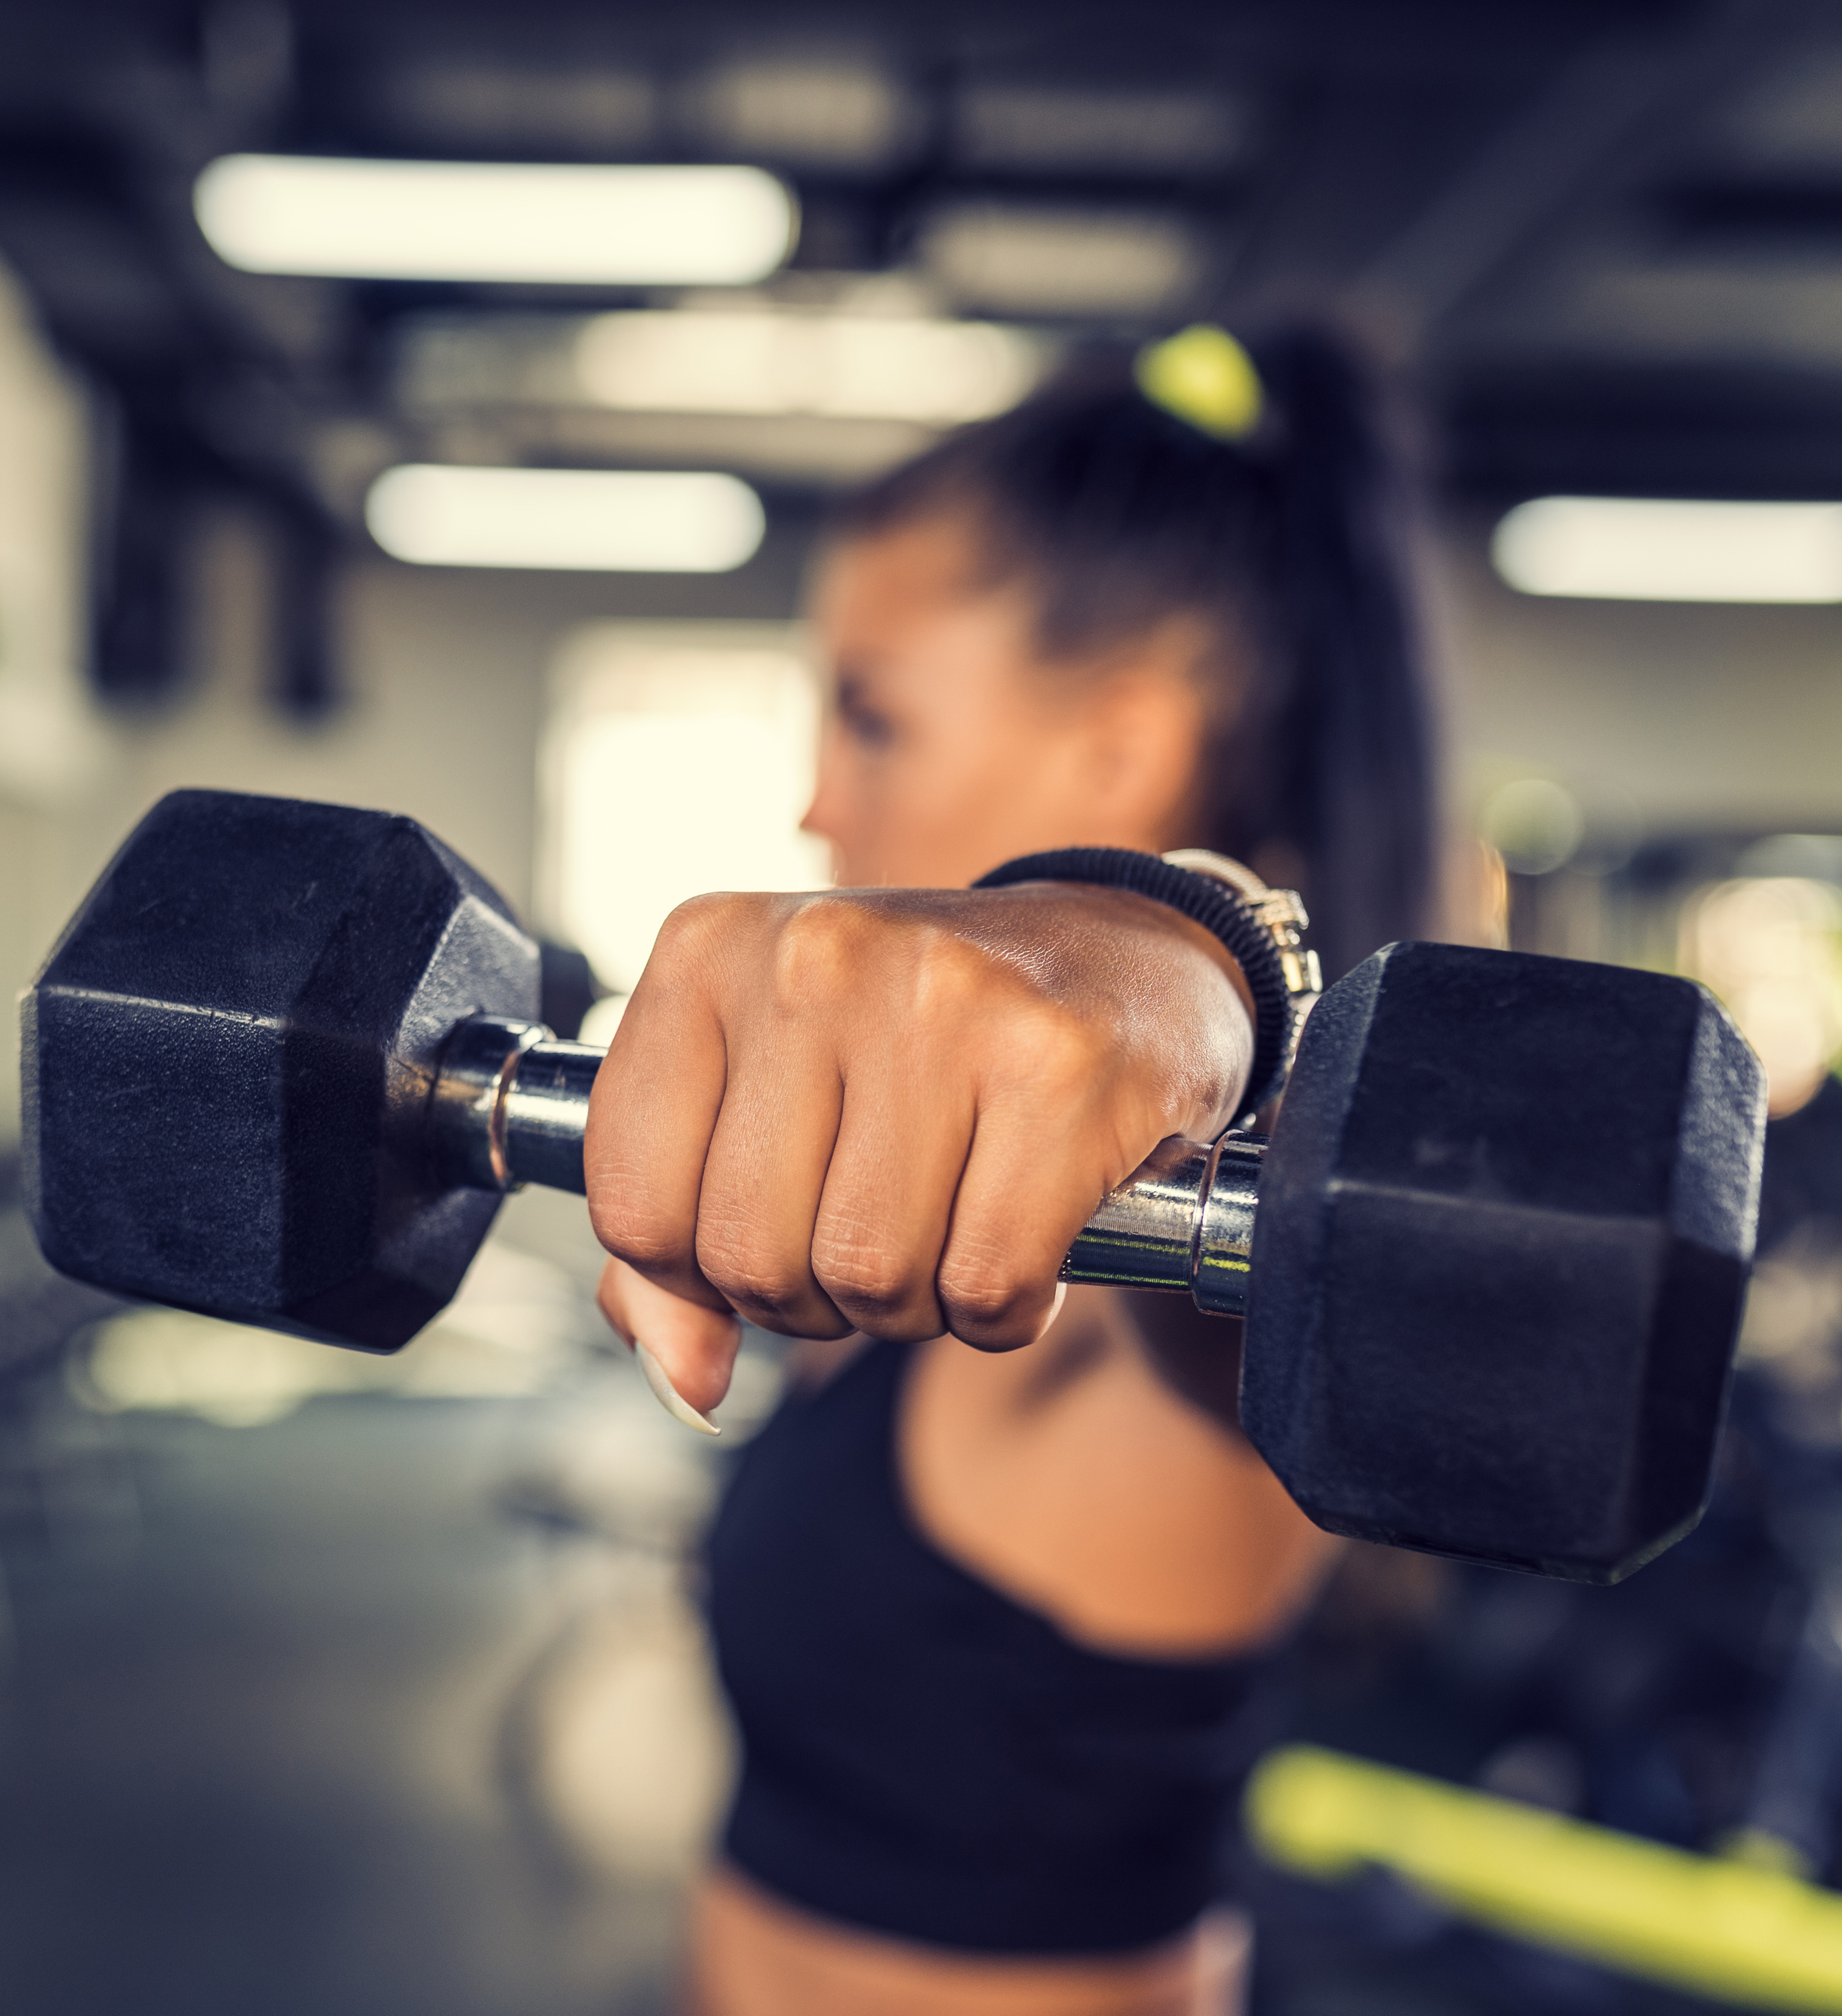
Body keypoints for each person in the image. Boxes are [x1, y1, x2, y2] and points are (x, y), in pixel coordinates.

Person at [582, 324, 1445, 2016]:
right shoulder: (1003, 1213)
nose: (819, 801)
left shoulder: (1229, 1255)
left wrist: (1174, 952)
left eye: (872, 713)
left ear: (1122, 751)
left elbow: (1212, 1059)